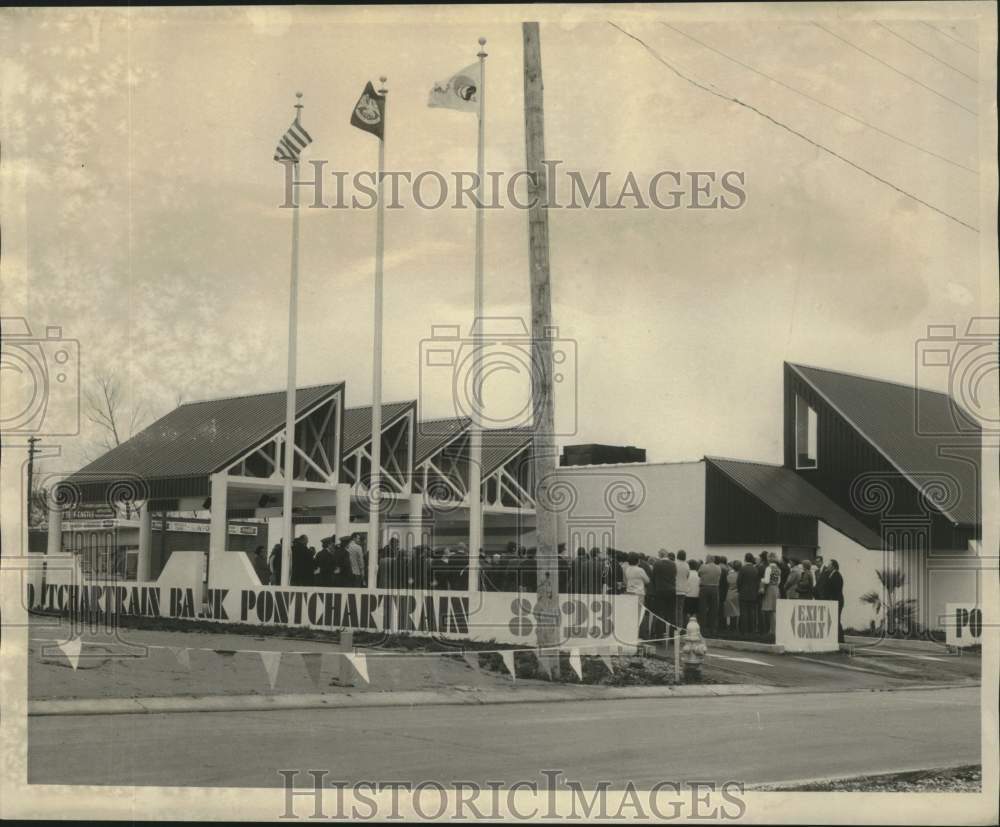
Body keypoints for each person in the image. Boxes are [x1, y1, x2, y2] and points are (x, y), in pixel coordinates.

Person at [652, 550, 677, 641]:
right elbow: (674, 576)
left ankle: (659, 636)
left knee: (660, 613)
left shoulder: (657, 564)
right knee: (671, 614)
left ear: (660, 555)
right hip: (671, 590)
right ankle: (672, 637)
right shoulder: (673, 564)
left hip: (660, 590)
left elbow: (653, 577)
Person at [622, 551, 650, 625]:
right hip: (639, 593)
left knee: (631, 613)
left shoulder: (627, 569)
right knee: (638, 613)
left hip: (629, 592)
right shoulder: (640, 570)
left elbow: (625, 580)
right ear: (637, 560)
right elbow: (647, 580)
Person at [737, 552, 761, 634]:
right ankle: (752, 629)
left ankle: (744, 630)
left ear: (745, 559)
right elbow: (758, 582)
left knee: (744, 612)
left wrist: (740, 590)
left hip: (743, 593)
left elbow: (739, 582)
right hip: (753, 594)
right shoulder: (755, 569)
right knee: (752, 612)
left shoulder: (743, 569)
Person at [698, 555, 721, 635]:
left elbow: (699, 574)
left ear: (708, 559)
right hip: (715, 588)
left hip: (704, 588)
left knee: (703, 609)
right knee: (714, 609)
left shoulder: (703, 566)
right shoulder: (718, 568)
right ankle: (713, 629)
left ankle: (702, 629)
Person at [760, 553, 781, 638]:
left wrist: (762, 580)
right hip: (776, 588)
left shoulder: (768, 568)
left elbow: (767, 581)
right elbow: (779, 581)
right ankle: (774, 630)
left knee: (769, 610)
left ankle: (771, 630)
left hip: (770, 589)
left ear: (769, 559)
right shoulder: (778, 569)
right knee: (774, 611)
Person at [826, 559, 845, 643]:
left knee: (836, 619)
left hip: (837, 600)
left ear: (833, 566)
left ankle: (840, 639)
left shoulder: (837, 575)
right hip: (835, 600)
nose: (827, 567)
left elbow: (836, 589)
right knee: (835, 619)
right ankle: (838, 638)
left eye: (829, 565)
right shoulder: (832, 575)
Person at [675, 549, 690, 629]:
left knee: (675, 609)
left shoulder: (675, 564)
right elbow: (687, 576)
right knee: (680, 610)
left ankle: (674, 626)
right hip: (683, 590)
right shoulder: (687, 565)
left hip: (675, 589)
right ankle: (680, 626)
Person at [724, 559, 741, 631]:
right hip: (738, 594)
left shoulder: (729, 575)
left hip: (730, 593)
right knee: (737, 611)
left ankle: (731, 626)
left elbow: (727, 584)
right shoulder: (740, 575)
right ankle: (736, 626)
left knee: (731, 611)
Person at [685, 559, 701, 623]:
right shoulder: (698, 575)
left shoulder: (687, 574)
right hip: (696, 595)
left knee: (687, 612)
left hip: (688, 595)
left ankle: (686, 626)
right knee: (695, 613)